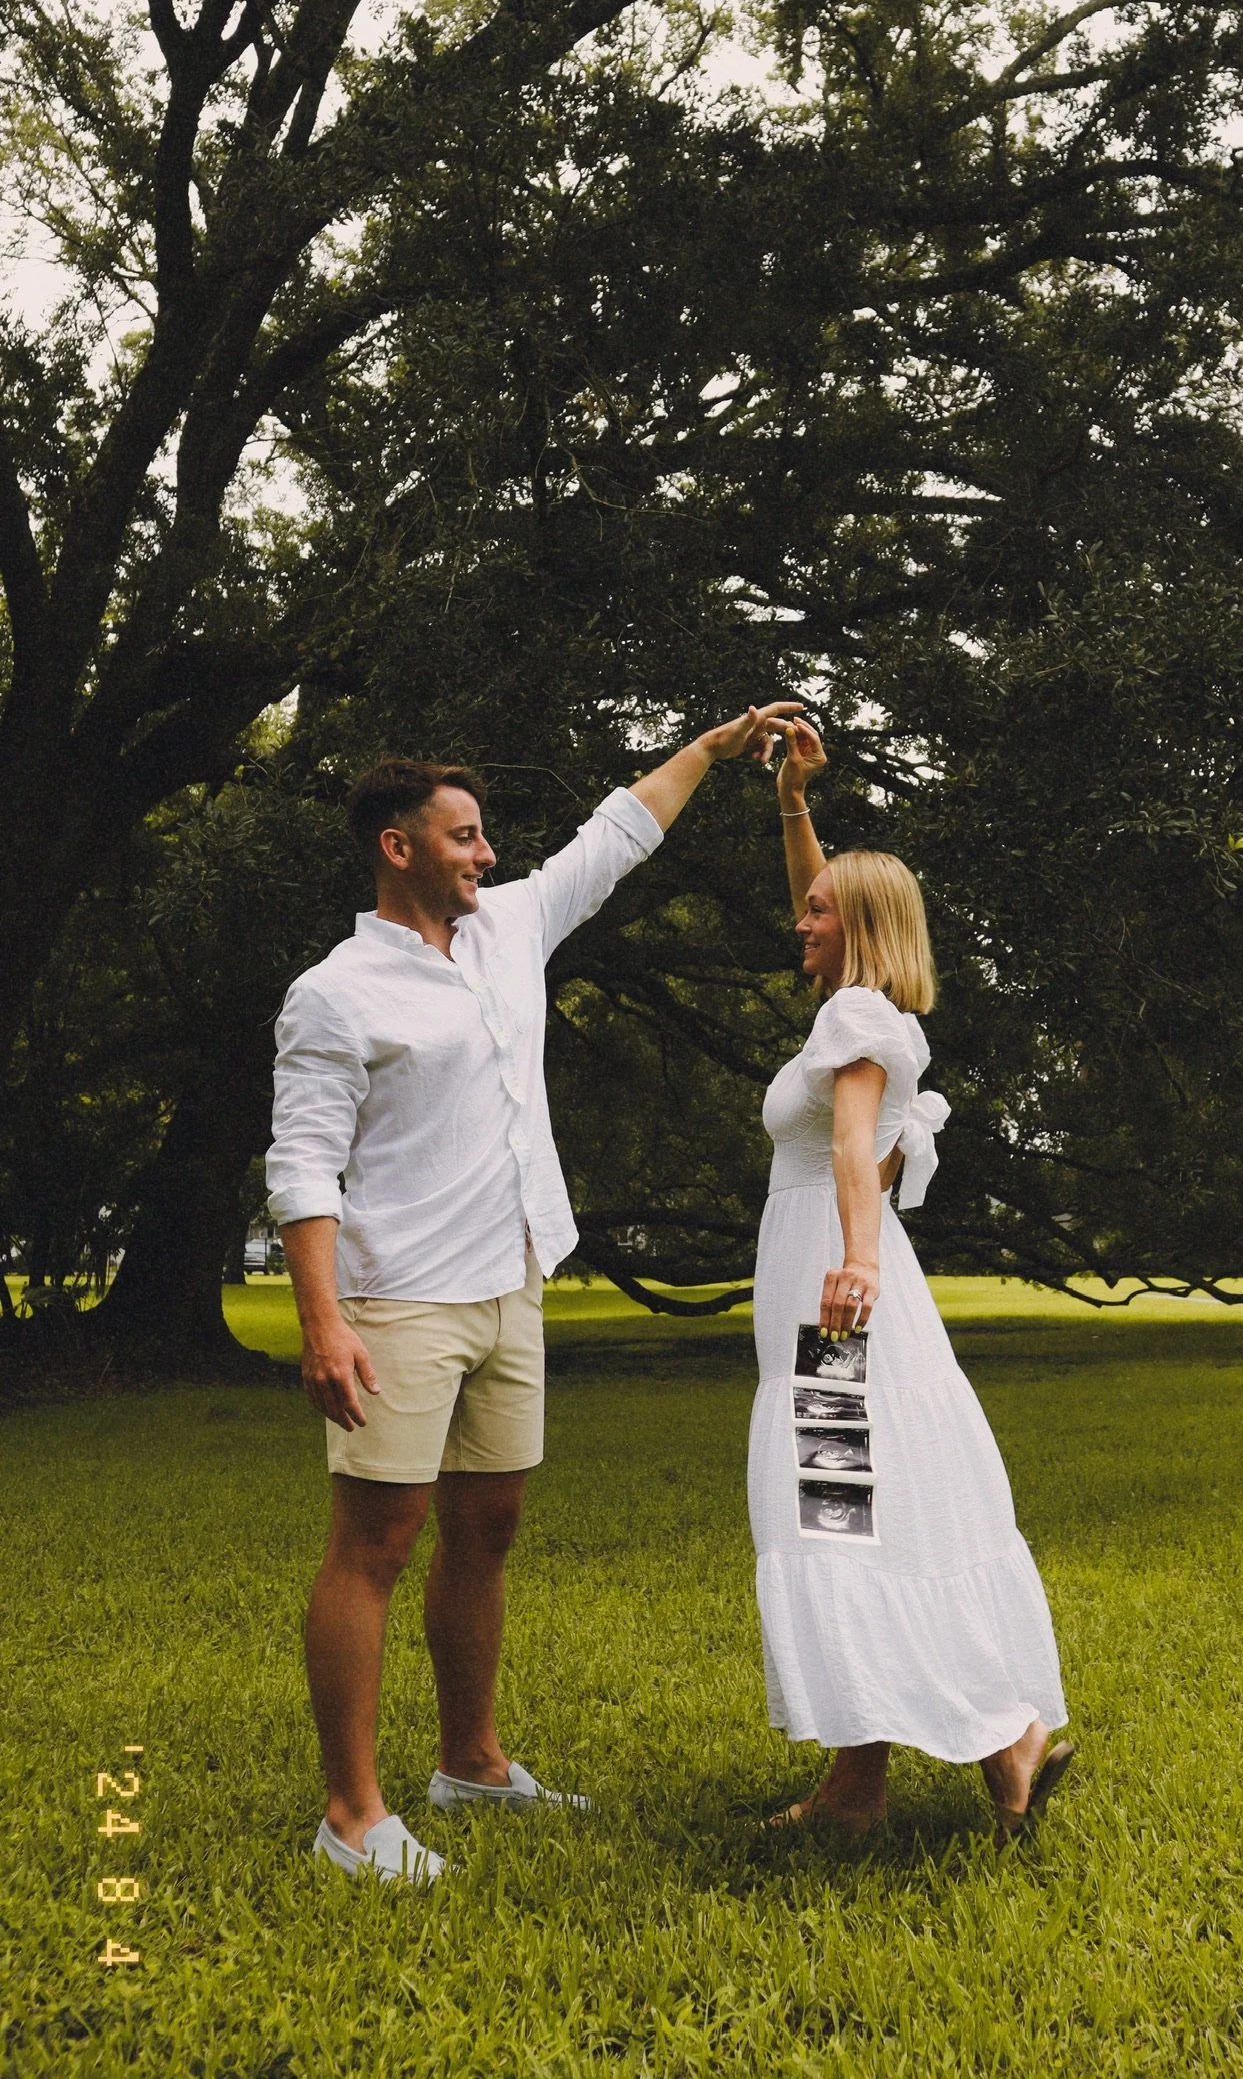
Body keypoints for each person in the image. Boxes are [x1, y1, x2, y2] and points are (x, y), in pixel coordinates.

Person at [267, 706, 800, 1885]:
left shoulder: (509, 929)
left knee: (489, 1528)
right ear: (399, 847)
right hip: (400, 1298)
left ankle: (472, 1763)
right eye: (463, 837)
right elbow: (301, 1165)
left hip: (514, 1281)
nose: (487, 854)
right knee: (375, 1542)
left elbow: (616, 838)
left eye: (486, 835)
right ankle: (350, 1816)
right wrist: (321, 1319)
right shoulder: (335, 992)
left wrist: (709, 754)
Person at [748, 720, 1073, 1841]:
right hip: (840, 1284)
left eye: (818, 911)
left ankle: (940, 1756)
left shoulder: (852, 1017)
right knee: (854, 1510)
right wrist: (793, 804)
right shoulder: (870, 1008)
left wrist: (851, 1265)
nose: (799, 917)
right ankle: (927, 1764)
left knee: (836, 1511)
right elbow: (829, 899)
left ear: (863, 926)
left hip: (832, 1290)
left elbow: (848, 1149)